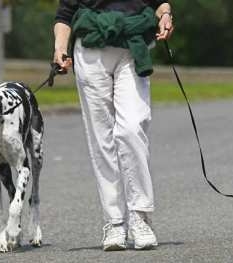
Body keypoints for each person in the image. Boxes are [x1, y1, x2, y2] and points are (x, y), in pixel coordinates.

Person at [53, 0, 173, 251]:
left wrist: (165, 15)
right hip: (90, 49)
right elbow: (65, 13)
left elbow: (159, 2)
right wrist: (60, 49)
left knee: (131, 129)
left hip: (132, 45)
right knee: (102, 140)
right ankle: (114, 222)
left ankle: (140, 216)